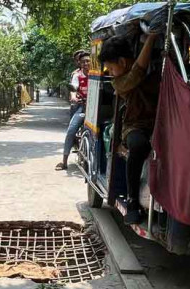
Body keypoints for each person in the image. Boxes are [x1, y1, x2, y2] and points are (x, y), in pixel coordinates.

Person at [100, 33, 160, 225]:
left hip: (160, 123)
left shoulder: (156, 68)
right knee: (139, 145)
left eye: (110, 67)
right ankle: (133, 201)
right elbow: (137, 72)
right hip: (135, 126)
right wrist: (150, 39)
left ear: (123, 62)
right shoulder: (119, 82)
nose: (109, 72)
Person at [55, 52, 91, 171]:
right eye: (83, 62)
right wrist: (74, 96)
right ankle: (64, 161)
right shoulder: (77, 76)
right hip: (82, 106)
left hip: (96, 107)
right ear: (80, 64)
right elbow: (73, 89)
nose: (86, 63)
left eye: (88, 61)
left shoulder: (98, 73)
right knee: (71, 130)